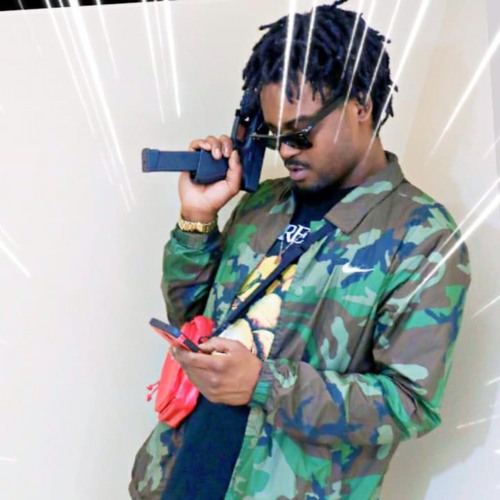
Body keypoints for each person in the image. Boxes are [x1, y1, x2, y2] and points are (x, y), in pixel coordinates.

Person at [129, 1, 471, 498]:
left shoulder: (423, 238)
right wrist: (198, 219)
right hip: (177, 475)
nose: (287, 150)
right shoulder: (264, 203)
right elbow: (191, 318)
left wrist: (265, 384)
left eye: (300, 132)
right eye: (274, 135)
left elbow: (410, 404)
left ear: (361, 105)